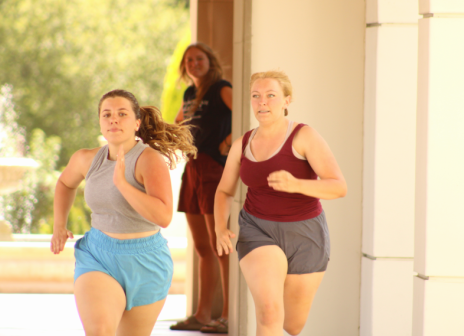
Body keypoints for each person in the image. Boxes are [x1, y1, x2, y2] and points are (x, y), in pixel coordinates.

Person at [50, 89, 197, 336]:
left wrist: (123, 185)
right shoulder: (86, 159)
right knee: (99, 331)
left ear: (137, 123)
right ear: (100, 122)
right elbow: (65, 183)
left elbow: (163, 216)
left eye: (122, 114)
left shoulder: (149, 160)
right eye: (106, 114)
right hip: (99, 257)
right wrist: (58, 224)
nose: (113, 119)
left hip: (147, 262)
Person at [214, 70, 347, 336]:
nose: (262, 102)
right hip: (258, 229)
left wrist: (297, 185)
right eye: (256, 96)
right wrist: (220, 227)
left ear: (286, 101)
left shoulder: (303, 136)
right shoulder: (243, 144)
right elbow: (224, 191)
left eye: (271, 95)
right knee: (270, 313)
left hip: (306, 233)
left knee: (292, 325)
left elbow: (338, 186)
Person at [170, 42, 232, 334]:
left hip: (212, 168)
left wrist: (228, 141)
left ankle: (229, 315)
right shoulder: (189, 93)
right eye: (189, 60)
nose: (194, 63)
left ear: (210, 61)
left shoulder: (221, 87)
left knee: (220, 247)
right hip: (192, 168)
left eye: (199, 58)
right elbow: (179, 123)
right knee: (202, 247)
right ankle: (203, 315)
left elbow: (244, 114)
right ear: (185, 67)